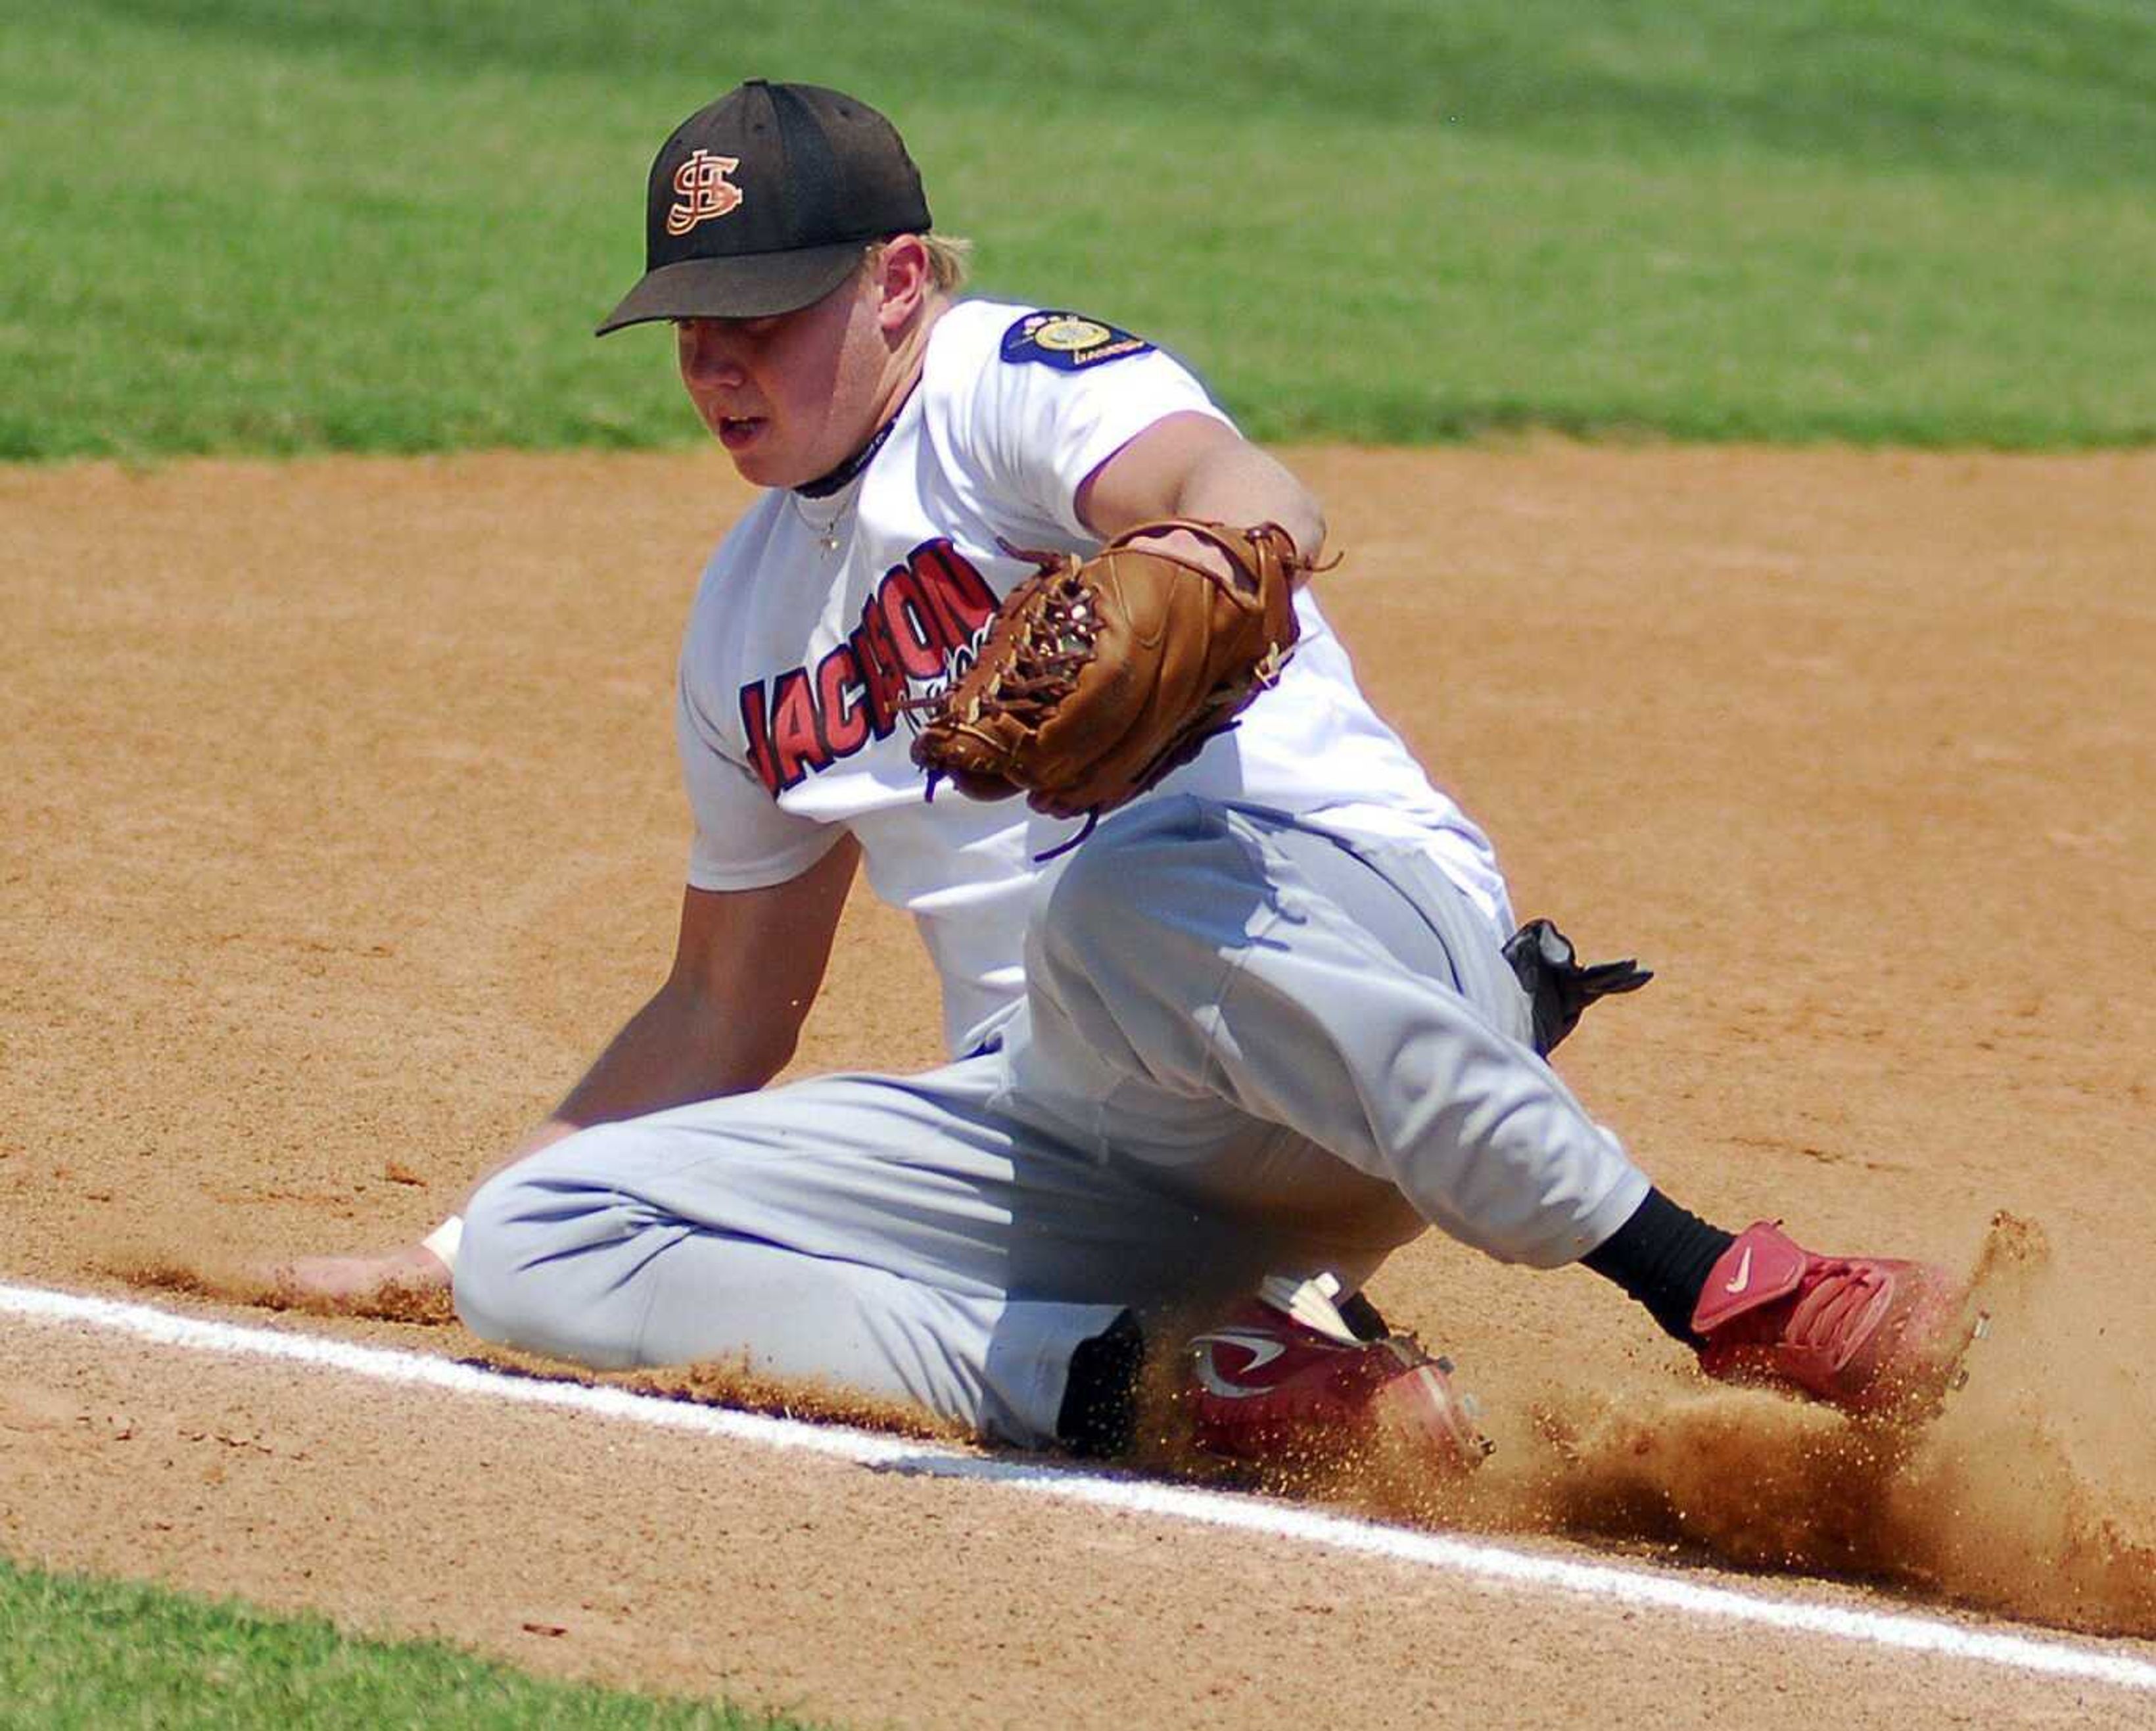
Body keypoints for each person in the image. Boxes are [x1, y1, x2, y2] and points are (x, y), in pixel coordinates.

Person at [283, 80, 1975, 1464]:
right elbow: (726, 1005)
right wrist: (445, 1244)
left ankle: (1722, 1285)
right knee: (543, 1250)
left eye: (760, 314)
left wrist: (1208, 553)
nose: (714, 364)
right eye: (688, 324)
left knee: (1106, 902)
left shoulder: (1002, 386)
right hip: (1100, 1133)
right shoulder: (738, 625)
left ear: (896, 283)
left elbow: (1247, 480)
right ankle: (1158, 1377)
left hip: (1355, 963)